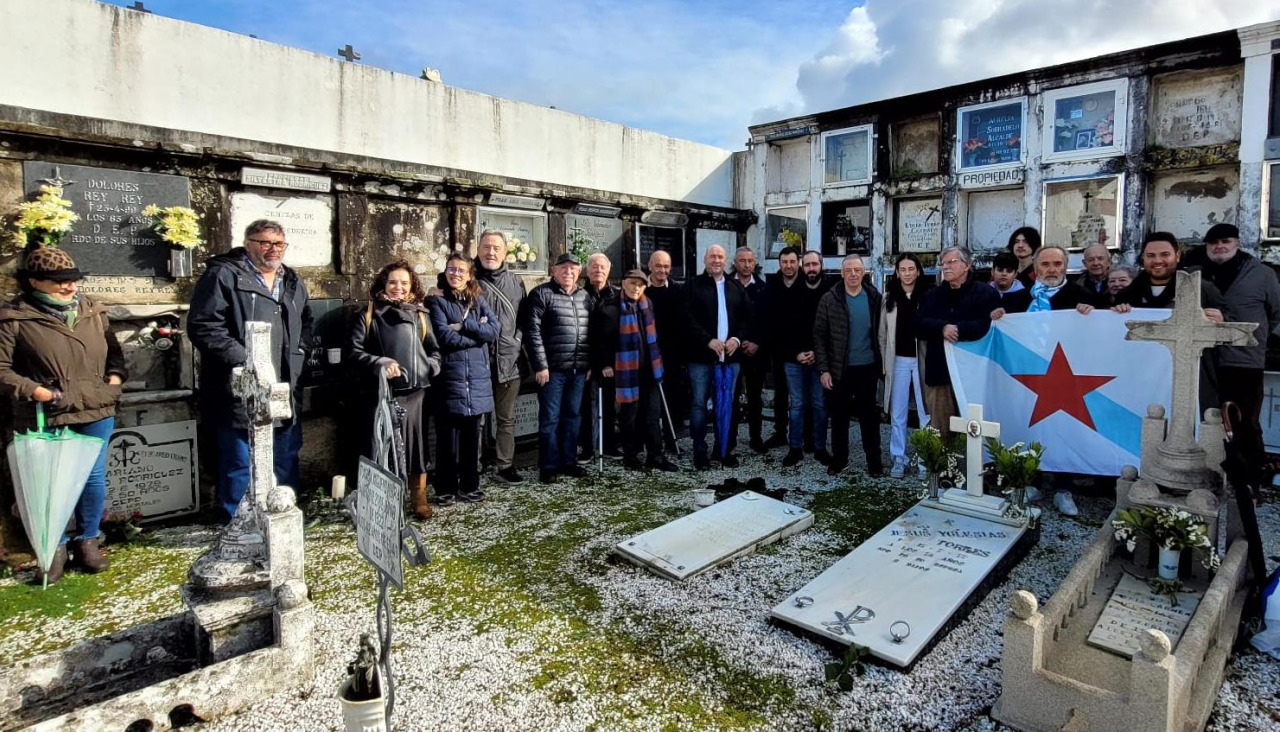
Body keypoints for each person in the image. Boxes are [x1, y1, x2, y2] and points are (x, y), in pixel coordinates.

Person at [0, 247, 126, 584]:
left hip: (95, 407)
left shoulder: (92, 311)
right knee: (48, 482)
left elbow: (114, 352)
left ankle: (89, 540)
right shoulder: (14, 317)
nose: (70, 287)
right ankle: (52, 547)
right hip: (48, 410)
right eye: (60, 283)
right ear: (34, 282)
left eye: (73, 281)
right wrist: (34, 391)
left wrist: (114, 380)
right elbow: (2, 369)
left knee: (93, 477)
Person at [189, 219, 311, 523]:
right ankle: (238, 522)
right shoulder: (224, 275)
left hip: (284, 385)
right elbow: (204, 326)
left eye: (279, 243)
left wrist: (299, 354)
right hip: (239, 387)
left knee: (285, 456)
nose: (273, 249)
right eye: (265, 242)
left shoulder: (293, 280)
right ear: (248, 243)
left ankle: (284, 519)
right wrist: (246, 359)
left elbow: (305, 323)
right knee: (240, 460)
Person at [348, 260, 441, 518]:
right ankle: (383, 502)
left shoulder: (420, 315)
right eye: (392, 282)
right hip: (381, 394)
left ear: (412, 286)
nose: (398, 288)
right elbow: (354, 352)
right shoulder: (366, 314)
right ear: (383, 284)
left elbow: (434, 349)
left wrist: (430, 367)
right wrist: (379, 361)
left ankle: (418, 497)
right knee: (382, 445)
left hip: (416, 393)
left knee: (417, 446)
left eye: (404, 283)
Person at [1199, 223, 1280, 490]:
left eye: (1226, 241)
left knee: (1244, 422)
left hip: (1244, 360)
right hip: (1206, 358)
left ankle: (1250, 482)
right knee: (1208, 418)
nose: (1219, 247)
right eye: (1213, 243)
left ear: (1237, 243)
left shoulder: (1262, 274)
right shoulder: (1200, 274)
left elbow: (1276, 313)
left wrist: (1260, 342)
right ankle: (1213, 475)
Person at [429, 255, 500, 503]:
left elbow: (494, 330)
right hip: (450, 377)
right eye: (452, 269)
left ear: (469, 275)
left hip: (477, 379)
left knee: (472, 438)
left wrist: (463, 325)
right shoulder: (436, 300)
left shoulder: (478, 299)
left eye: (461, 270)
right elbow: (444, 337)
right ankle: (445, 488)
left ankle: (470, 485)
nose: (456, 274)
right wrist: (476, 335)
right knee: (448, 438)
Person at [596, 269, 678, 472]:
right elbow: (601, 340)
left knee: (652, 414)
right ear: (623, 283)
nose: (637, 288)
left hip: (649, 368)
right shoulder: (611, 307)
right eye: (633, 283)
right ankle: (631, 456)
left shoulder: (647, 303)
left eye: (641, 285)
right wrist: (605, 364)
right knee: (629, 416)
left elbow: (653, 335)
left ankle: (655, 456)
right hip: (625, 370)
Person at [523, 253, 592, 483]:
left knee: (573, 416)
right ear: (554, 270)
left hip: (578, 370)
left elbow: (590, 332)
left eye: (573, 268)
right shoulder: (542, 294)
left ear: (579, 272)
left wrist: (588, 363)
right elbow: (532, 333)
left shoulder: (584, 297)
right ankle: (549, 466)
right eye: (563, 268)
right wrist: (540, 365)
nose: (568, 272)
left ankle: (569, 461)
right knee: (550, 419)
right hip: (551, 371)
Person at [915, 247, 999, 437]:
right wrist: (942, 328)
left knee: (977, 431)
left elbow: (990, 325)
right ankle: (943, 467)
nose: (945, 267)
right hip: (940, 374)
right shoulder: (931, 296)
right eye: (943, 263)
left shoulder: (986, 294)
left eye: (951, 262)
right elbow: (918, 324)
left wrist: (960, 330)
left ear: (967, 265)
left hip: (976, 375)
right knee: (941, 432)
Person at [814, 254, 884, 476]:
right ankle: (840, 459)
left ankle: (874, 462)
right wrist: (824, 369)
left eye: (857, 270)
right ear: (842, 273)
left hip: (867, 367)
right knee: (840, 417)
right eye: (848, 270)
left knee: (869, 418)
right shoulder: (830, 299)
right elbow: (820, 337)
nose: (853, 274)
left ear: (863, 272)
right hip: (839, 369)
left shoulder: (874, 297)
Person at [683, 245, 750, 470]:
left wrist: (737, 340)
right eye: (712, 256)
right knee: (699, 404)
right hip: (701, 357)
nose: (717, 260)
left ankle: (724, 450)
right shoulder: (693, 286)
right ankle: (700, 451)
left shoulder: (735, 286)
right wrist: (708, 340)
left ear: (726, 260)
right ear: (705, 259)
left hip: (730, 359)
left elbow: (746, 319)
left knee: (728, 405)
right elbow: (686, 319)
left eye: (720, 256)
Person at [473, 230, 528, 485]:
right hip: (477, 361)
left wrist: (517, 342)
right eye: (486, 247)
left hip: (508, 361)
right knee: (476, 419)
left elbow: (525, 320)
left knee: (506, 419)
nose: (490, 252)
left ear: (505, 252)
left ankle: (505, 465)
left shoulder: (516, 282)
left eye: (496, 248)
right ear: (478, 249)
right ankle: (474, 464)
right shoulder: (468, 278)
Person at [772, 249, 830, 467]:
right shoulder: (790, 292)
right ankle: (794, 447)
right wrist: (796, 353)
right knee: (796, 405)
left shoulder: (829, 292)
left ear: (821, 266)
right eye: (807, 265)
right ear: (801, 267)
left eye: (815, 264)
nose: (811, 269)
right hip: (793, 358)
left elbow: (831, 329)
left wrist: (817, 353)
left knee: (820, 404)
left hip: (820, 358)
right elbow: (782, 329)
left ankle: (820, 448)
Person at [880, 253, 931, 479]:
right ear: (897, 272)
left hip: (922, 361)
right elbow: (882, 334)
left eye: (911, 269)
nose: (907, 273)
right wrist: (885, 363)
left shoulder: (928, 297)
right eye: (903, 269)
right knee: (898, 412)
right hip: (898, 360)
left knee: (925, 412)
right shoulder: (888, 298)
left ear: (918, 271)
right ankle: (898, 457)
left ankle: (925, 460)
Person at [759, 246, 805, 450]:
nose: (788, 266)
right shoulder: (771, 287)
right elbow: (765, 319)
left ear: (798, 262)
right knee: (781, 393)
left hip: (803, 350)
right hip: (778, 350)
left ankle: (806, 436)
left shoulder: (807, 285)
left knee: (804, 396)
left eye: (792, 261)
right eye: (785, 262)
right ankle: (780, 432)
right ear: (780, 264)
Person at [579, 252, 620, 462]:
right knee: (587, 407)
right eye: (594, 267)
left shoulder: (616, 295)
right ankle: (587, 448)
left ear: (609, 270)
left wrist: (609, 361)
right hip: (586, 360)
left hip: (610, 362)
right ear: (587, 270)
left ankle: (609, 445)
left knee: (609, 405)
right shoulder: (579, 294)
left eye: (603, 267)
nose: (599, 271)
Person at [644, 250, 687, 451]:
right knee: (650, 402)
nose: (662, 270)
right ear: (650, 266)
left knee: (673, 398)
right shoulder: (642, 291)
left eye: (666, 266)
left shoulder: (678, 291)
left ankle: (671, 439)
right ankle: (651, 443)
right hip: (648, 354)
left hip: (672, 354)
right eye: (658, 266)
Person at [733, 246, 770, 454]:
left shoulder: (764, 289)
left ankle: (756, 438)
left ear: (754, 263)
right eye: (742, 261)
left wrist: (757, 342)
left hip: (757, 352)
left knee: (755, 398)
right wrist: (739, 341)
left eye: (750, 261)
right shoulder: (726, 285)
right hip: (733, 351)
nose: (746, 265)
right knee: (733, 396)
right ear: (735, 263)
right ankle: (731, 439)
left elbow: (769, 321)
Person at [993, 246, 1097, 317]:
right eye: (1045, 264)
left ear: (1065, 267)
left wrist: (1093, 314)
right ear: (1035, 268)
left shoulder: (1084, 297)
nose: (1051, 270)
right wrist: (999, 316)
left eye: (1057, 264)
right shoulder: (1013, 300)